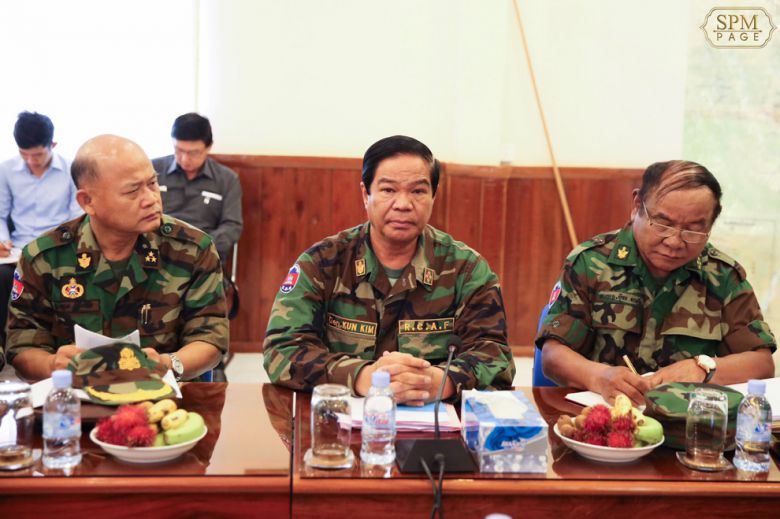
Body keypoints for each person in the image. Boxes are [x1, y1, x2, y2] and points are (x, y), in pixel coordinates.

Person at [264, 135, 514, 404]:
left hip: (436, 428)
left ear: (433, 196)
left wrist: (442, 381)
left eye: (418, 191)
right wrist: (361, 377)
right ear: (365, 194)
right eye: (388, 190)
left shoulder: (466, 269)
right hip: (340, 426)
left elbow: (495, 355)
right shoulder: (323, 263)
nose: (403, 204)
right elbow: (282, 348)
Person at [537, 160, 776, 404]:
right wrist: (599, 377)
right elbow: (552, 354)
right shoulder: (590, 263)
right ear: (636, 206)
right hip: (602, 420)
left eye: (693, 230)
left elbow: (762, 363)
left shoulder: (722, 276)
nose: (674, 242)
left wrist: (704, 368)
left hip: (687, 427)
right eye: (663, 224)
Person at [4, 134, 228, 382]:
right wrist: (52, 365)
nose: (151, 199)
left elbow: (210, 338)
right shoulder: (45, 257)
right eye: (133, 191)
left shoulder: (193, 249)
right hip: (75, 401)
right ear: (87, 201)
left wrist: (167, 363)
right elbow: (22, 343)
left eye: (152, 184)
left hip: (167, 402)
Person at [0, 112, 81, 342]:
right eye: (23, 154)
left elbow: (76, 219)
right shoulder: (5, 170)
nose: (30, 161)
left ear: (53, 144)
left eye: (37, 154)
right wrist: (3, 240)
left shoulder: (71, 170)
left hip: (59, 247)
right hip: (18, 251)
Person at [152, 113, 242, 263]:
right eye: (178, 150)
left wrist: (201, 246)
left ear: (209, 147)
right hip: (157, 251)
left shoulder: (226, 179)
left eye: (193, 153)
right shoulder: (153, 170)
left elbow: (232, 225)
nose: (185, 159)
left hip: (203, 255)